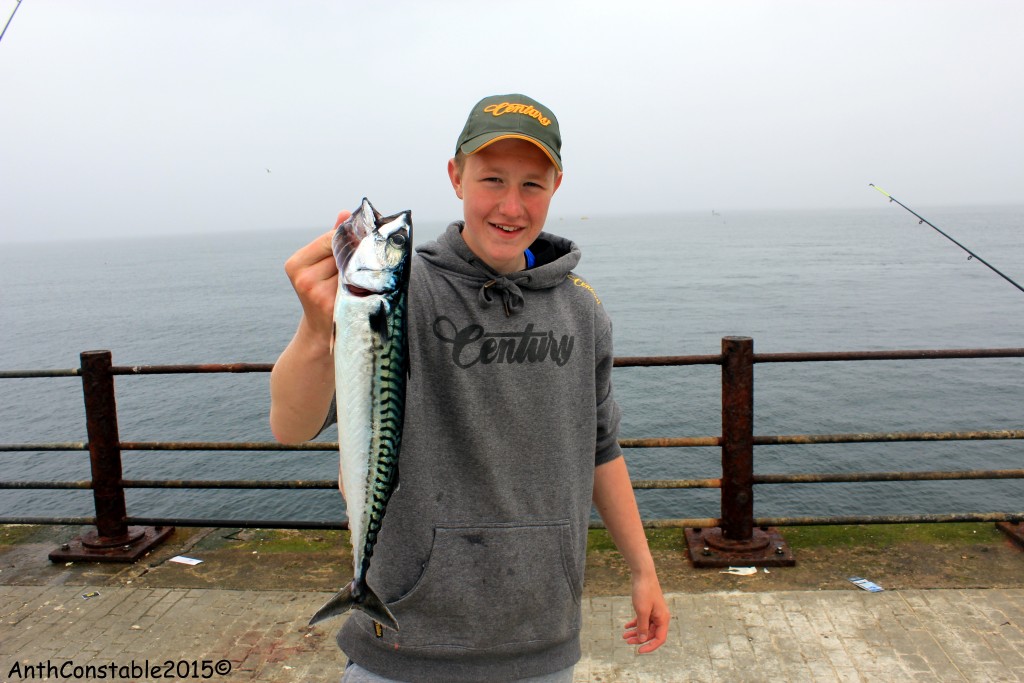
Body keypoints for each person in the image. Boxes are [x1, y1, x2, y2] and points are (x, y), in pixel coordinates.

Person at [270, 94, 669, 683]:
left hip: (542, 642)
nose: (511, 205)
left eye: (532, 184)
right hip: (400, 646)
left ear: (557, 185)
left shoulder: (582, 309)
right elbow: (291, 425)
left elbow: (600, 448)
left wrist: (643, 569)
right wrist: (313, 328)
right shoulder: (402, 290)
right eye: (491, 179)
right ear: (455, 177)